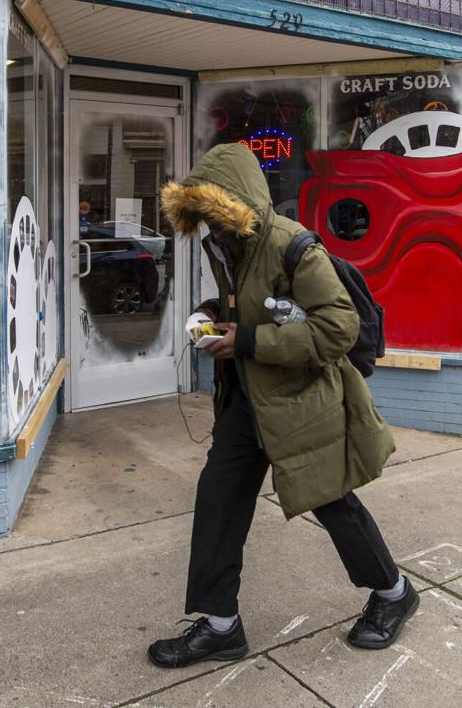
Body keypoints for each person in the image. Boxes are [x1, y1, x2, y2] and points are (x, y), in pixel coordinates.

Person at [148, 143, 417, 669]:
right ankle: (221, 625)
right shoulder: (229, 247)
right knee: (219, 500)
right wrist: (212, 316)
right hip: (246, 405)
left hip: (301, 404)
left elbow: (339, 328)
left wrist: (247, 340)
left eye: (214, 214)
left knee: (334, 504)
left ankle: (394, 593)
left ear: (236, 203)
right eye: (200, 217)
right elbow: (243, 306)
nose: (209, 227)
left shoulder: (293, 246)